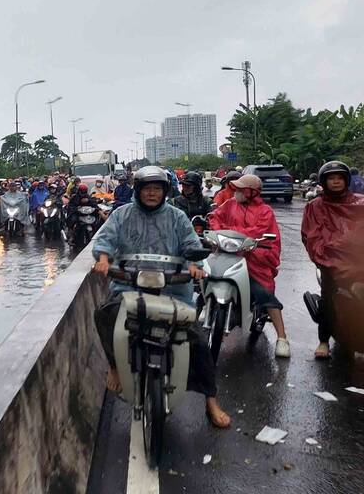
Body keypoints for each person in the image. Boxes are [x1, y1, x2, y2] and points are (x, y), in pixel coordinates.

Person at [92, 166, 231, 429]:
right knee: (104, 314)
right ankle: (114, 366)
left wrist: (194, 265)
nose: (152, 193)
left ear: (165, 191)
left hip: (173, 289)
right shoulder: (121, 214)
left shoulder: (177, 217)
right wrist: (103, 259)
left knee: (198, 342)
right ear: (138, 191)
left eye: (157, 189)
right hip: (128, 286)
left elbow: (191, 244)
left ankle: (211, 401)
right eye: (147, 189)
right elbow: (105, 240)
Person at [208, 174, 291, 358]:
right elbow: (215, 217)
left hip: (255, 259)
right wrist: (219, 232)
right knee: (206, 274)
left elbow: (258, 232)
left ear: (251, 192)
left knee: (264, 293)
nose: (236, 192)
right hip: (227, 254)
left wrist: (230, 233)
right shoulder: (229, 204)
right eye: (235, 189)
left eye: (240, 189)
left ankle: (282, 338)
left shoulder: (265, 212)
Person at [300, 161, 364, 358]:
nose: (336, 182)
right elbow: (311, 236)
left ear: (346, 180)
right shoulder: (315, 206)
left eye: (339, 178)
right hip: (331, 263)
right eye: (331, 178)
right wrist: (327, 258)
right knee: (328, 298)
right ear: (324, 181)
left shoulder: (360, 203)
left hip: (359, 261)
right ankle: (323, 341)